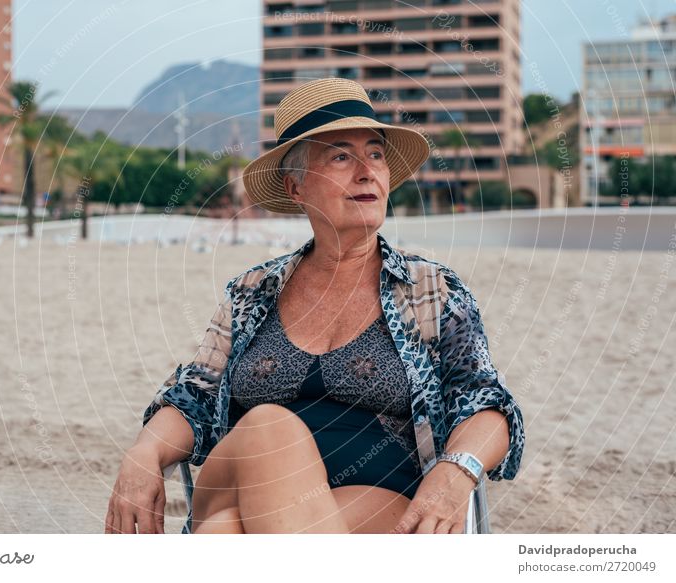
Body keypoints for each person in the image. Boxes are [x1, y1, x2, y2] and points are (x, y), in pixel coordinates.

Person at [105, 77, 525, 535]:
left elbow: (486, 402)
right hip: (239, 477)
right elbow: (194, 396)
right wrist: (143, 452)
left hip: (376, 508)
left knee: (221, 536)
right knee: (269, 428)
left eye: (376, 153)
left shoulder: (432, 291)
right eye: (342, 156)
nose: (366, 171)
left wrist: (457, 469)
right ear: (296, 187)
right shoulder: (252, 292)